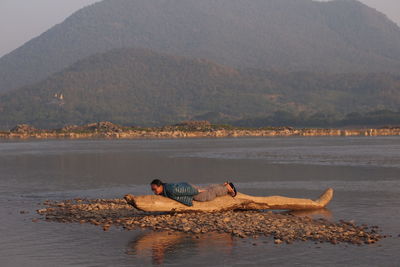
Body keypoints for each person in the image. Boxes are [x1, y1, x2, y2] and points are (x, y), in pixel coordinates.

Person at [150, 179, 237, 207]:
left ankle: (227, 188)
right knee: (207, 189)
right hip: (188, 186)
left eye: (155, 189)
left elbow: (182, 191)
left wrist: (195, 191)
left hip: (190, 190)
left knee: (207, 196)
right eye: (152, 190)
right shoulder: (166, 188)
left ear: (160, 186)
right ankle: (223, 185)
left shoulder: (169, 189)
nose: (154, 191)